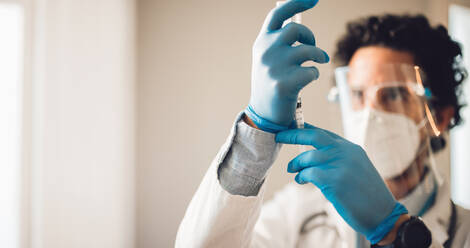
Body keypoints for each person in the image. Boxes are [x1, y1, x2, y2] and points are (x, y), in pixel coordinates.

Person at [175, 0, 470, 247]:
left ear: (439, 116)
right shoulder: (296, 213)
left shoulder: (464, 232)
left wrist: (396, 232)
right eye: (356, 94)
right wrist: (256, 130)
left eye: (392, 95)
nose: (369, 113)